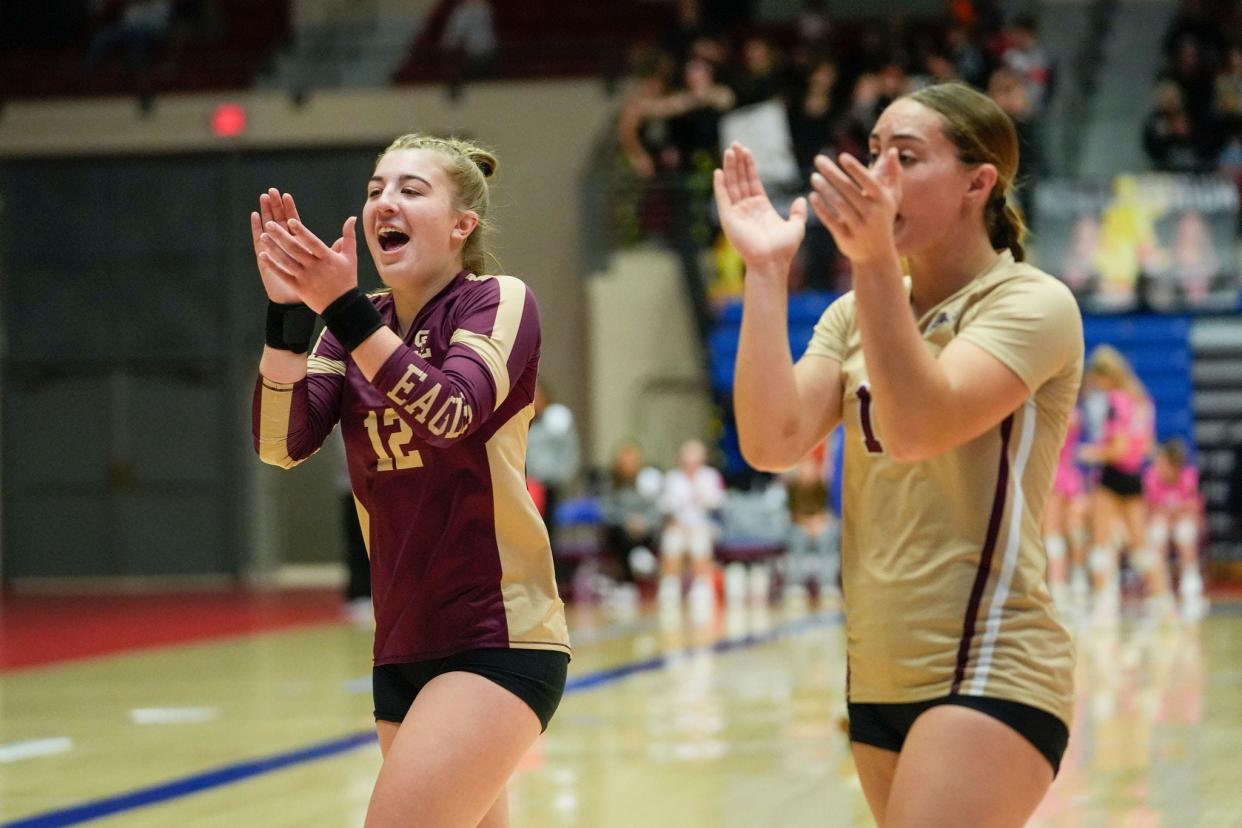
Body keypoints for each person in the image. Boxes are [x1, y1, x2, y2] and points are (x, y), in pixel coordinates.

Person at [717, 82, 1081, 826]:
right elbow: (771, 442)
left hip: (990, 661)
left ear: (979, 184)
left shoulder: (1031, 303)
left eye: (906, 158)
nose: (877, 174)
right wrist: (765, 272)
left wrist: (875, 259)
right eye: (874, 152)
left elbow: (918, 428)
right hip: (877, 670)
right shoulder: (854, 313)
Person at [250, 133, 570, 827]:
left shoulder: (497, 300)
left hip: (497, 634)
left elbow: (451, 412)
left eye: (409, 189)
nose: (383, 202)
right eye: (374, 190)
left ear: (463, 226)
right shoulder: (346, 329)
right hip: (401, 642)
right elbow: (282, 444)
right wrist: (288, 317)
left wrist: (345, 309)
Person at [1078, 345, 1170, 621]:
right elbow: (1146, 447)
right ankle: (1163, 600)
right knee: (1139, 545)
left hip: (1112, 475)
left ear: (1106, 376)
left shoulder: (1115, 401)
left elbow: (1117, 448)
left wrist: (1090, 453)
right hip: (1135, 476)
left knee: (1101, 541)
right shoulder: (1142, 400)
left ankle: (1103, 606)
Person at [658, 438, 725, 617]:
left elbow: (717, 504)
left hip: (704, 525)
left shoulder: (710, 476)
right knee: (672, 540)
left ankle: (702, 586)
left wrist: (699, 492)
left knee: (699, 539)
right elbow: (666, 506)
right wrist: (676, 523)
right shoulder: (673, 478)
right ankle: (670, 585)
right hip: (679, 526)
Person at [1143, 438, 1207, 620]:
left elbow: (1195, 507)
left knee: (1185, 532)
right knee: (1157, 533)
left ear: (1175, 465)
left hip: (1181, 521)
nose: (1160, 467)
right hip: (1161, 520)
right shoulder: (1151, 476)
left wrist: (1174, 512)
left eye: (1164, 464)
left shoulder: (1189, 476)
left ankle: (1191, 588)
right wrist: (1172, 511)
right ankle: (1159, 590)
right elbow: (1149, 508)